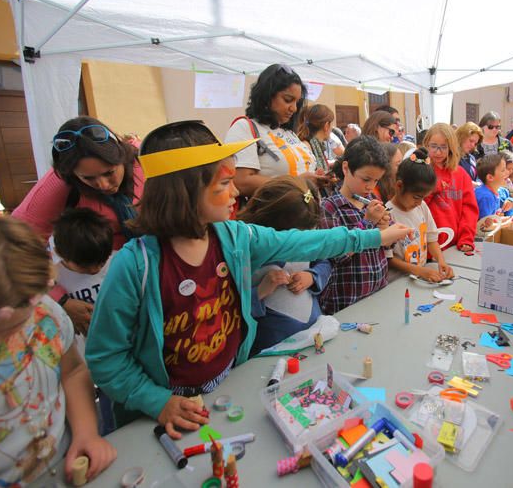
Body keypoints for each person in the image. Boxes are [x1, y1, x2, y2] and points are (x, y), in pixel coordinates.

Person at [85, 121, 410, 437]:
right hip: (167, 407)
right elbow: (106, 358)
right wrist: (155, 401)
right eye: (224, 183)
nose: (236, 190)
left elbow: (309, 242)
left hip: (229, 383)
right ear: (186, 192)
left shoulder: (234, 238)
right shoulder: (133, 266)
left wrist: (374, 237)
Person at [0, 214, 116, 486]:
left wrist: (87, 433)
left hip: (71, 465)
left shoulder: (44, 313)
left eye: (15, 329)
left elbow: (74, 371)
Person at [13, 116, 144, 346]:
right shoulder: (56, 188)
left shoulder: (141, 160)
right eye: (88, 178)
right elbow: (14, 248)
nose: (103, 185)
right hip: (100, 288)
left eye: (109, 172)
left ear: (121, 156)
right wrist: (59, 300)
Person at [237, 176, 332, 355]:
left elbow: (324, 262)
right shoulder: (243, 251)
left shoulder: (305, 233)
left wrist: (312, 276)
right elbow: (229, 308)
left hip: (313, 336)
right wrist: (260, 292)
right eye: (293, 239)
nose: (300, 244)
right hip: (270, 347)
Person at [222, 64, 327, 198]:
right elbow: (241, 182)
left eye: (297, 102)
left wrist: (315, 177)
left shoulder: (288, 132)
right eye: (288, 100)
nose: (294, 108)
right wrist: (296, 183)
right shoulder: (245, 128)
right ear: (267, 96)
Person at [319, 136, 397, 314]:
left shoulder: (372, 201)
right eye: (366, 179)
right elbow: (336, 256)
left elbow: (388, 245)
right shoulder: (329, 207)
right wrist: (368, 223)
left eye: (376, 181)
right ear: (346, 168)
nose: (371, 186)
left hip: (376, 295)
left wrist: (385, 229)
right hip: (346, 303)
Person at [386, 148, 454, 282]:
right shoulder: (387, 214)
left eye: (423, 198)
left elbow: (431, 238)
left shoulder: (422, 206)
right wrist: (419, 271)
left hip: (421, 275)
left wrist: (441, 262)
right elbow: (389, 259)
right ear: (399, 186)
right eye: (416, 197)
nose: (419, 203)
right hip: (398, 282)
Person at [52, 208, 114, 339]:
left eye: (102, 263)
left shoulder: (118, 262)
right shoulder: (54, 277)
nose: (95, 270)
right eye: (84, 266)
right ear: (59, 253)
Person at [422, 123, 479, 252]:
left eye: (443, 147)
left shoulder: (461, 174)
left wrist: (466, 238)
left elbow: (469, 210)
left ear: (451, 148)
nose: (438, 152)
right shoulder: (420, 171)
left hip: (455, 244)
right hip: (428, 245)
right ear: (426, 145)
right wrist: (432, 189)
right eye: (434, 146)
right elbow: (414, 207)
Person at [298, 104, 337, 172]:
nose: (332, 128)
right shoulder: (307, 147)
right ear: (326, 126)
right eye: (331, 124)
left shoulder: (315, 145)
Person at [475, 153, 513, 219]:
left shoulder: (501, 191)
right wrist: (508, 221)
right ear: (490, 177)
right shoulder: (485, 197)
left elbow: (510, 212)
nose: (508, 172)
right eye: (503, 170)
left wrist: (511, 201)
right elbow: (484, 227)